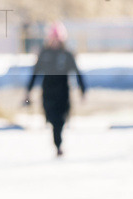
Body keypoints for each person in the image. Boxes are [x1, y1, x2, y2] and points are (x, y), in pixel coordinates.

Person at [24, 22, 86, 156]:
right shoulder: (44, 54)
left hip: (63, 93)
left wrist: (83, 90)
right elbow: (35, 74)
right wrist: (28, 91)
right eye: (53, 38)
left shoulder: (67, 54)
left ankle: (58, 144)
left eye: (58, 39)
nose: (55, 42)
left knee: (61, 120)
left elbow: (77, 73)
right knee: (52, 120)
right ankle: (58, 144)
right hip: (48, 93)